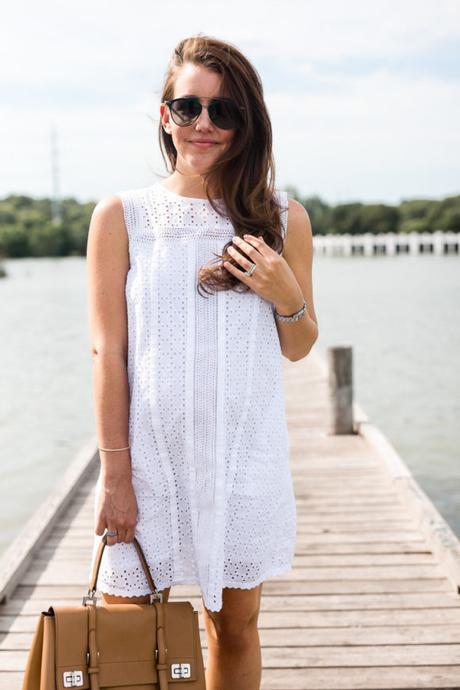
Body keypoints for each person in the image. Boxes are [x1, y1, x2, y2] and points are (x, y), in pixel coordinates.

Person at [86, 33, 318, 690]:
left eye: (225, 111)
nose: (205, 125)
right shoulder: (122, 216)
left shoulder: (282, 218)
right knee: (124, 622)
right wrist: (116, 476)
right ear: (166, 116)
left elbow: (299, 345)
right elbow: (109, 353)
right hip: (147, 463)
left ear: (249, 122)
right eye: (189, 107)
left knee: (235, 626)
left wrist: (285, 294)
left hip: (243, 463)